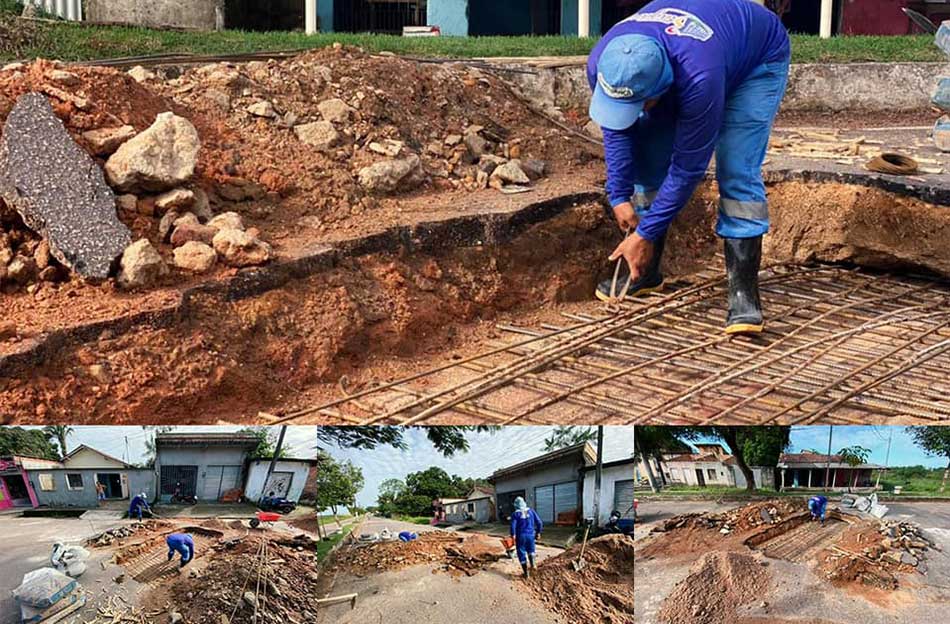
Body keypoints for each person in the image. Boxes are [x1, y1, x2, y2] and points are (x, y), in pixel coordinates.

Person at [587, 0, 791, 334]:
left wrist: (645, 232)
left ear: (660, 89)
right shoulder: (604, 61)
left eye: (643, 102)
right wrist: (619, 194)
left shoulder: (699, 79)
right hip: (700, 51)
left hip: (756, 57)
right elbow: (617, 127)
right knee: (649, 157)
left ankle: (744, 294)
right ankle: (646, 272)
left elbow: (687, 168)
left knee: (736, 166)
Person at [509, 496, 543, 579]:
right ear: (524, 503)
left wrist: (513, 536)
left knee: (521, 553)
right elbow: (539, 522)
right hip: (531, 535)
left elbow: (513, 526)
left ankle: (526, 573)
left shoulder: (515, 514)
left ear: (515, 505)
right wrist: (538, 532)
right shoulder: (531, 511)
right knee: (531, 550)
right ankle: (533, 564)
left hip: (520, 536)